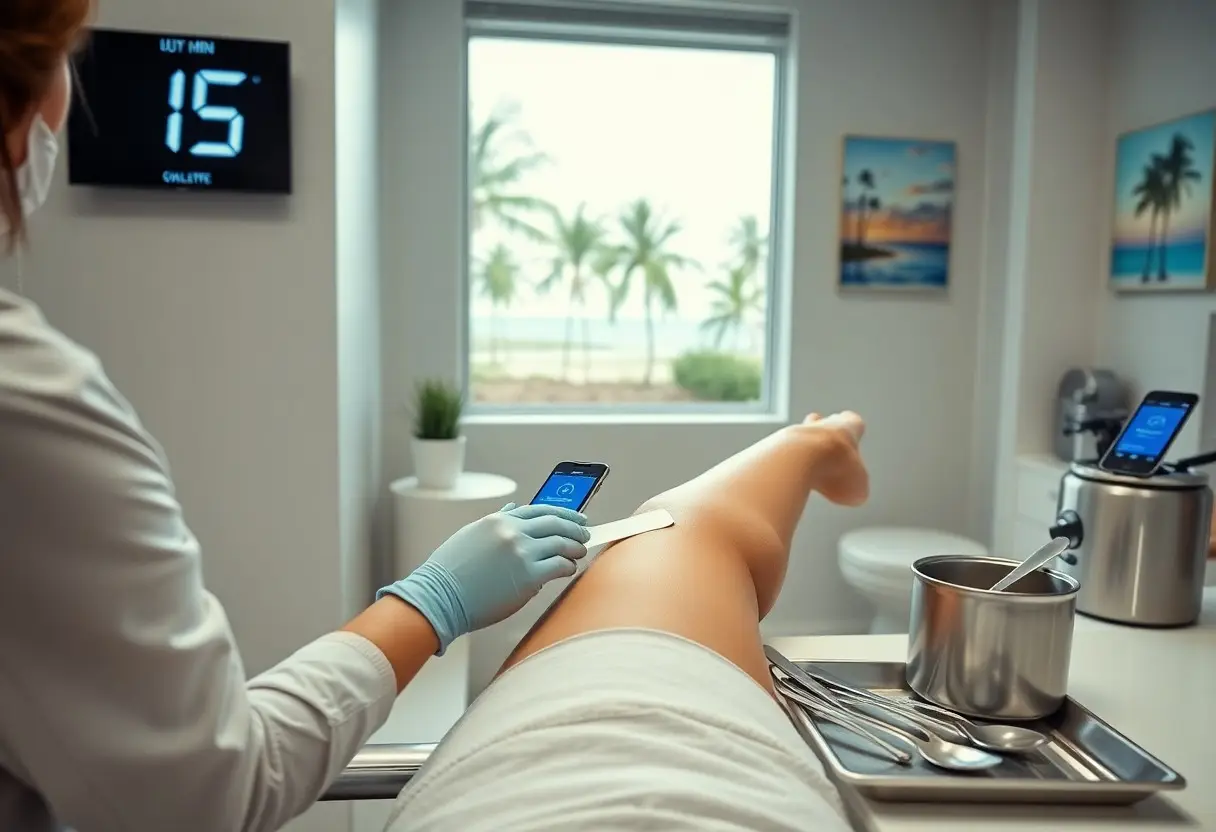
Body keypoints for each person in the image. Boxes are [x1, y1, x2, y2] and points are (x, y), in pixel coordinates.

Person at [0, 4, 593, 830]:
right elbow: (210, 795)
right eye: (66, 59)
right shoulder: (30, 405)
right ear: (23, 103)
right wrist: (431, 602)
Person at [383, 410, 869, 831]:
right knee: (682, 522)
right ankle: (815, 441)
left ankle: (814, 441)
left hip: (500, 789)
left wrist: (435, 596)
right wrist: (435, 598)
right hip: (724, 782)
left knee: (675, 524)